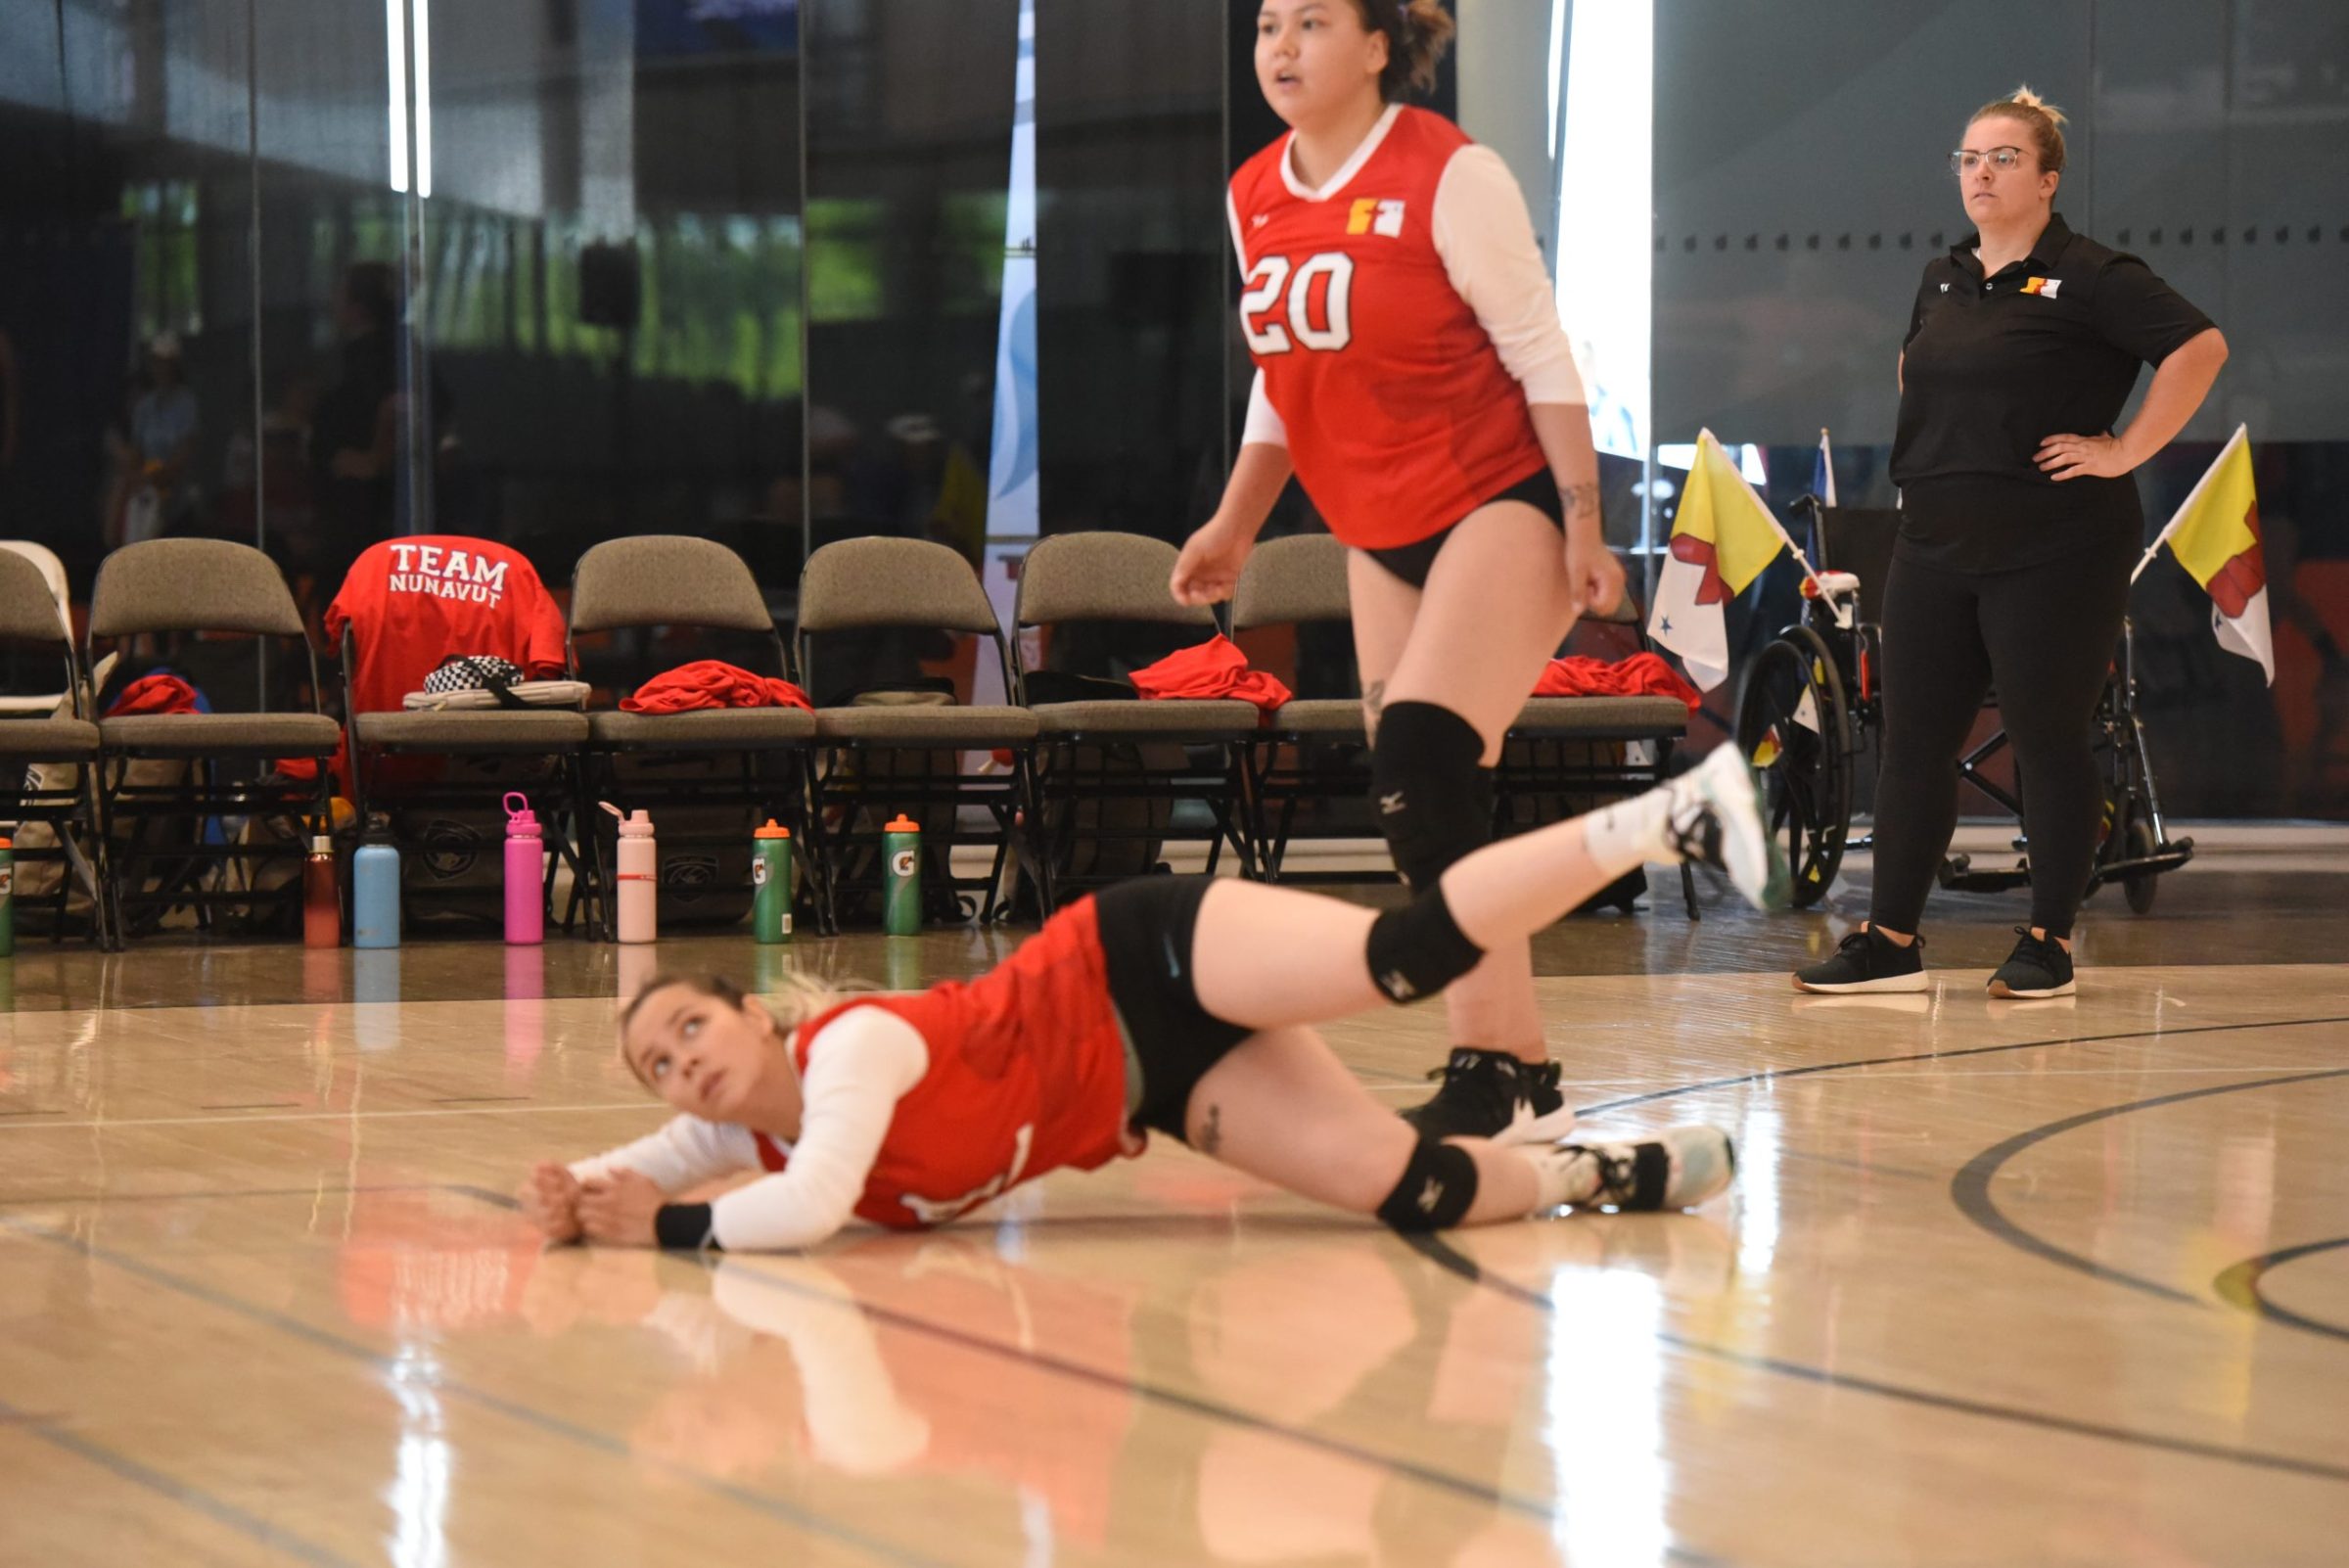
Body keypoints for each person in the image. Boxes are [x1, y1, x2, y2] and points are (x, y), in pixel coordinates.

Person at [518, 745, 1785, 1254]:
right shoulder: (749, 1133)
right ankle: (1609, 1173)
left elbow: (802, 1208)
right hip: (1163, 1082)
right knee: (1415, 1190)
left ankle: (1668, 814)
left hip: (1140, 957)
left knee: (1403, 957)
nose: (683, 1064)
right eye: (659, 1064)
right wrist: (576, 1187)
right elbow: (664, 1158)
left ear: (757, 1015)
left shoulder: (849, 1051)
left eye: (690, 1027)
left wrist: (661, 1229)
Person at [1170, 0, 1621, 1141]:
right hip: (1378, 526)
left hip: (1499, 499)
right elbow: (1283, 376)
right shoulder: (1252, 192)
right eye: (1268, 24)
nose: (1280, 47)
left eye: (1312, 22)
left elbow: (1541, 351)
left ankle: (1492, 1068)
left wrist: (1584, 524)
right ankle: (1521, 1073)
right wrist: (1234, 526)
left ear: (1377, 48)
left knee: (1423, 758)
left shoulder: (1449, 171)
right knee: (1425, 798)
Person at [1795, 89, 2228, 1000]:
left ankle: (2049, 942)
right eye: (1969, 159)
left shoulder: (2093, 273)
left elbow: (2201, 348)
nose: (1981, 173)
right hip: (1933, 541)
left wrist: (2124, 450)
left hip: (2057, 547)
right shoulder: (1943, 276)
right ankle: (1890, 942)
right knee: (1913, 745)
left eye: (2003, 158)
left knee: (2046, 737)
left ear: (2047, 178)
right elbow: (1917, 371)